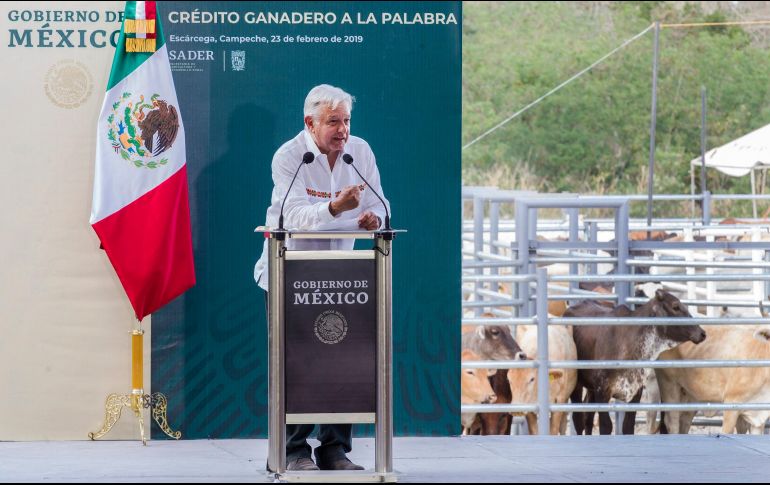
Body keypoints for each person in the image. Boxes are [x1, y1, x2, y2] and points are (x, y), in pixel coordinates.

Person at [254, 84, 390, 471]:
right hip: (290, 273)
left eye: (346, 121)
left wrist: (373, 219)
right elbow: (290, 217)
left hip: (343, 275)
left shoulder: (359, 152)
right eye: (334, 121)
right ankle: (292, 450)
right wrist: (333, 207)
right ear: (310, 123)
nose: (343, 130)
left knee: (343, 358)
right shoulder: (290, 156)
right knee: (296, 362)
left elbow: (381, 203)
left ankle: (334, 449)